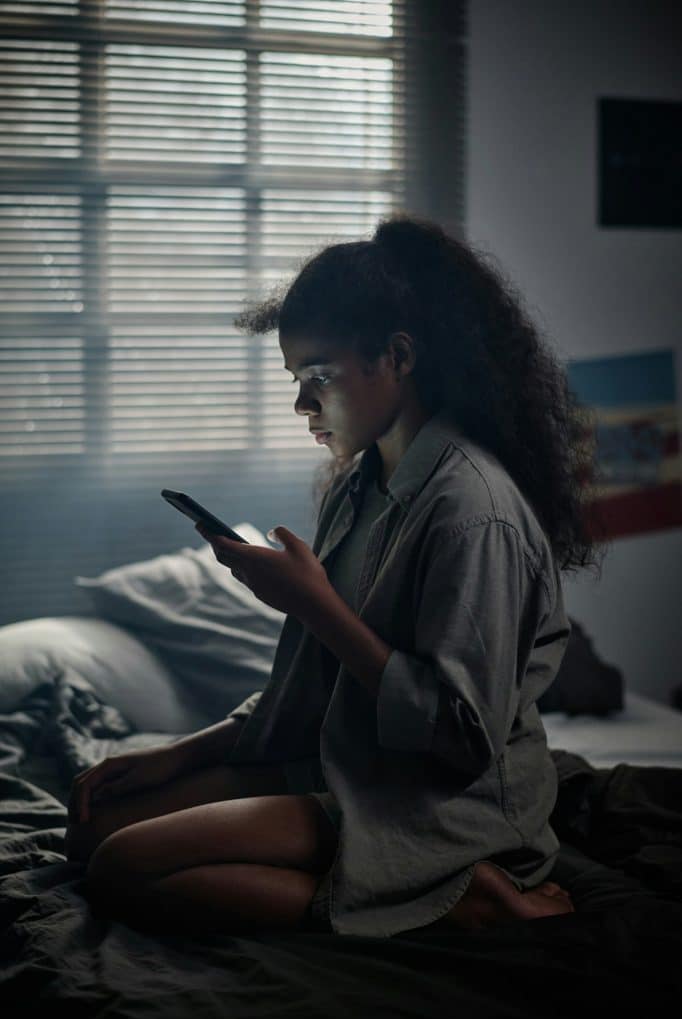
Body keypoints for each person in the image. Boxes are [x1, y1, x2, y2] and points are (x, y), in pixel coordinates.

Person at [66, 214, 601, 938]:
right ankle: (372, 884)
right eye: (296, 380)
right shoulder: (363, 485)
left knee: (122, 866)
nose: (301, 406)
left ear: (398, 357)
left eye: (319, 378)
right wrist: (175, 757)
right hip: (347, 764)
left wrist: (315, 605)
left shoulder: (474, 511)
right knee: (94, 830)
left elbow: (460, 738)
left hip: (435, 803)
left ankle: (455, 902)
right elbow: (314, 689)